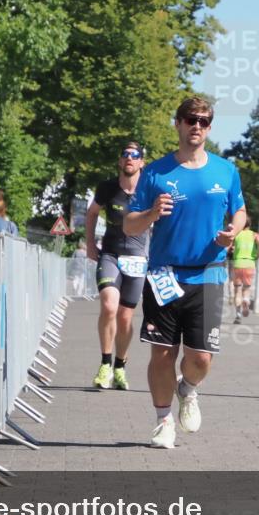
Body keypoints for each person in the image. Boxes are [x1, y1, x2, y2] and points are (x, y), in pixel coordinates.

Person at [124, 97, 246, 449]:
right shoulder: (156, 173)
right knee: (162, 353)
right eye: (191, 119)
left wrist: (233, 231)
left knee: (201, 358)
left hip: (208, 274)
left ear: (210, 128)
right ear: (177, 123)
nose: (197, 126)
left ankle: (187, 390)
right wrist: (149, 215)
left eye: (204, 121)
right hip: (164, 274)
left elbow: (239, 212)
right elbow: (130, 226)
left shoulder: (226, 171)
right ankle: (163, 421)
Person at [85, 143, 150, 390]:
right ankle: (105, 364)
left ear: (142, 162)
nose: (129, 158)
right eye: (125, 154)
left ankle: (120, 366)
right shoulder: (107, 187)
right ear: (120, 161)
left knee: (125, 318)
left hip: (137, 259)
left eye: (135, 155)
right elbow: (92, 213)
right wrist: (90, 243)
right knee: (109, 305)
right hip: (110, 255)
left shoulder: (149, 189)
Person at [230, 216, 259, 324]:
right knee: (246, 289)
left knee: (237, 290)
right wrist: (257, 255)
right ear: (250, 224)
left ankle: (238, 315)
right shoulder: (254, 235)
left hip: (238, 263)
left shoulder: (237, 234)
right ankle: (246, 300)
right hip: (250, 264)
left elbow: (229, 247)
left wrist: (233, 249)